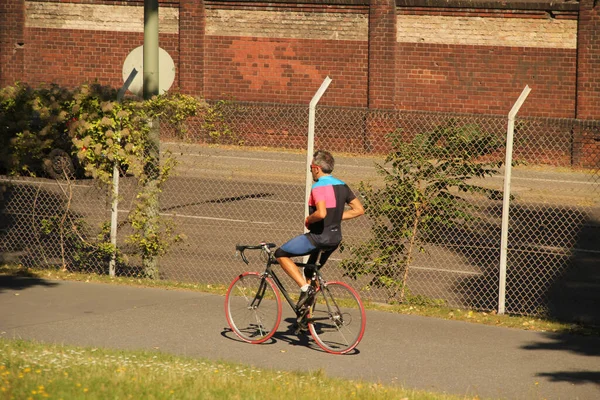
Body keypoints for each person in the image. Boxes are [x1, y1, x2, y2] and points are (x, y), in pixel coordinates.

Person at [274, 150, 364, 314]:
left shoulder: (319, 187)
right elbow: (359, 210)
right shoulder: (342, 185)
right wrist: (335, 217)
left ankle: (304, 288)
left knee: (280, 254)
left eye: (310, 168)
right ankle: (307, 319)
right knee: (310, 272)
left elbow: (321, 213)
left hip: (318, 238)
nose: (311, 171)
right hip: (335, 239)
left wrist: (309, 219)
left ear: (316, 168)